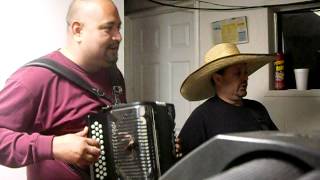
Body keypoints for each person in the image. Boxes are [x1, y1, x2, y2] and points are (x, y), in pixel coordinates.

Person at [0, 0, 126, 180]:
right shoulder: (34, 79)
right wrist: (53, 146)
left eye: (118, 28)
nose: (118, 36)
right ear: (78, 30)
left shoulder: (114, 76)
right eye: (108, 28)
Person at [178, 43, 278, 155]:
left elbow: (279, 146)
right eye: (238, 73)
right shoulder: (202, 116)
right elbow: (182, 163)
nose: (245, 78)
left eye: (245, 72)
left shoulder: (257, 109)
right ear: (218, 79)